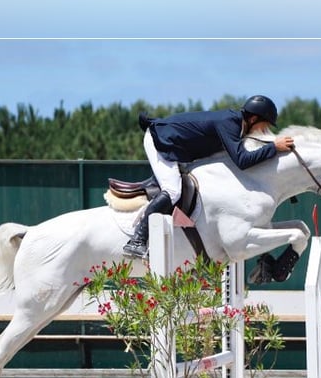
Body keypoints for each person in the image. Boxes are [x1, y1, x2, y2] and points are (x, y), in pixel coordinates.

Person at [122, 95, 295, 258]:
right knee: (173, 191)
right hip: (160, 141)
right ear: (253, 119)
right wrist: (274, 147)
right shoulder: (230, 123)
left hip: (177, 146)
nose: (265, 131)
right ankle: (137, 239)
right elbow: (242, 160)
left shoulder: (236, 125)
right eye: (264, 126)